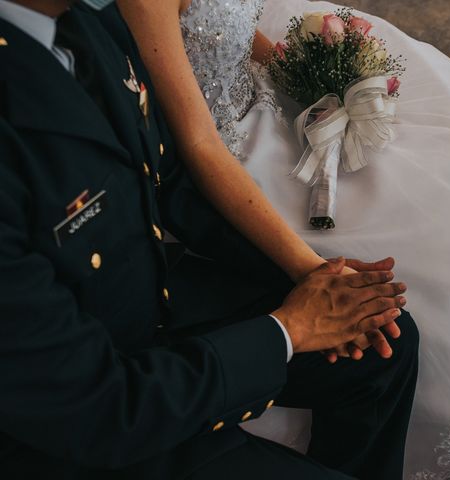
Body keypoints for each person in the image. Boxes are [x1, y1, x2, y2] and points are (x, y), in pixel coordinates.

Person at [116, 0, 450, 478]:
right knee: (407, 259)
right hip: (221, 154)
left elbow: (224, 25)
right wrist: (312, 269)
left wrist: (306, 74)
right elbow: (199, 142)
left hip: (263, 98)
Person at [0, 1, 421, 479]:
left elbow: (165, 176)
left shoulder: (83, 24)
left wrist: (313, 275)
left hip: (145, 304)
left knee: (384, 337)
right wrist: (289, 329)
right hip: (96, 413)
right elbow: (98, 409)